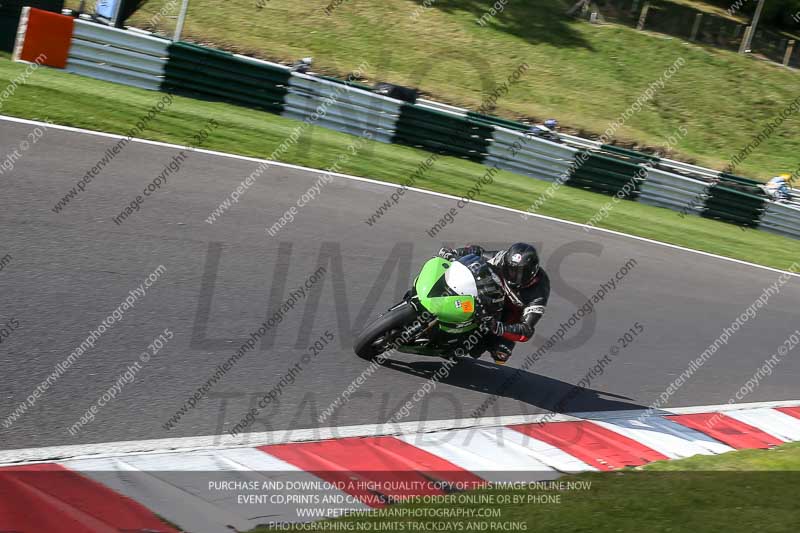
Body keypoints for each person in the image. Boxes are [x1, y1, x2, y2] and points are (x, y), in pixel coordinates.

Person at [437, 243, 550, 364]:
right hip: (486, 295)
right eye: (511, 269)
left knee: (501, 353)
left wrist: (497, 326)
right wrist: (454, 253)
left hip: (505, 315)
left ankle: (462, 340)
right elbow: (477, 252)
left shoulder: (539, 291)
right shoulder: (501, 258)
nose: (514, 276)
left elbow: (526, 330)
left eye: (521, 273)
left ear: (532, 272)